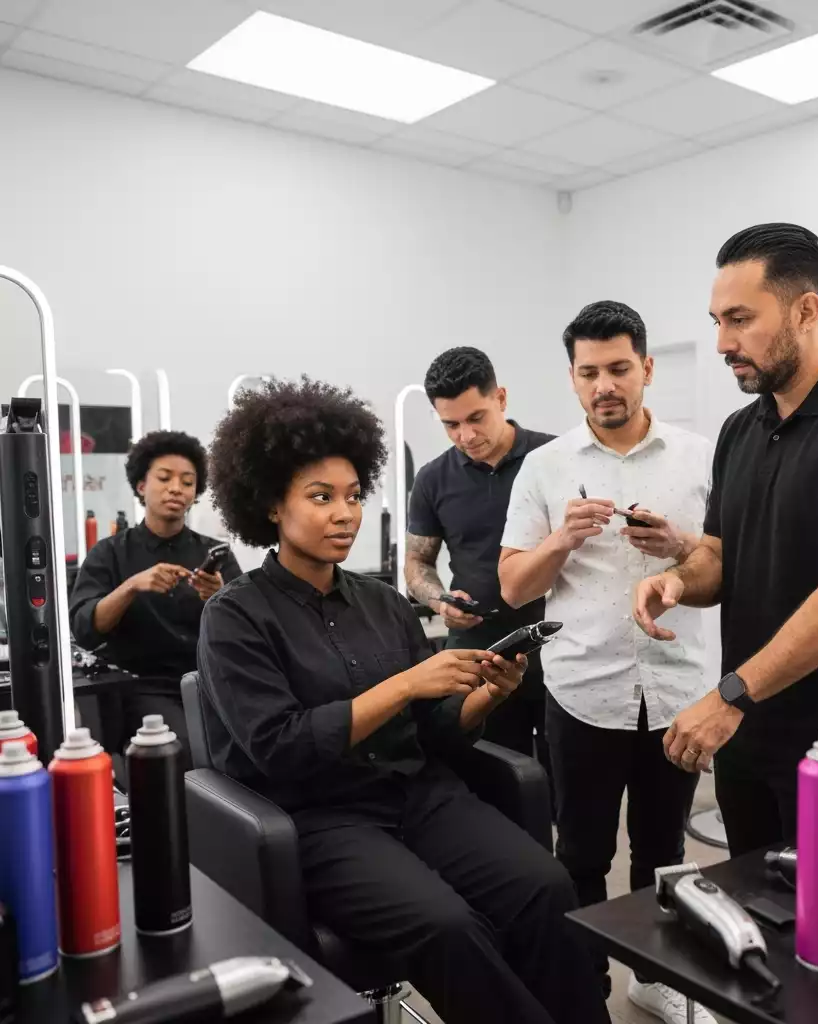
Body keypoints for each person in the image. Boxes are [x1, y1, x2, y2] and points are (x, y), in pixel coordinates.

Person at [197, 378, 610, 1024]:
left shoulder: (383, 602)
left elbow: (434, 733)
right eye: (320, 497)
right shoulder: (236, 618)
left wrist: (480, 700)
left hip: (419, 796)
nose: (345, 513)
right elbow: (279, 747)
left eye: (353, 496)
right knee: (448, 925)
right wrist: (406, 685)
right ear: (271, 505)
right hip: (322, 820)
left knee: (546, 886)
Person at [634, 223, 818, 856]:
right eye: (716, 321)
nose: (722, 342)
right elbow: (719, 554)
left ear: (806, 309)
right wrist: (680, 580)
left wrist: (729, 694)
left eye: (740, 319)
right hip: (747, 734)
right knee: (757, 920)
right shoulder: (741, 430)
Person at [499, 301, 714, 1024]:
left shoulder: (702, 456)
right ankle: (585, 981)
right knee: (582, 853)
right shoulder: (545, 466)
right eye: (589, 373)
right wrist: (560, 541)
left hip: (679, 689)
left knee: (664, 848)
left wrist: (681, 545)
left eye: (619, 368)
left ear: (647, 368)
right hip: (582, 689)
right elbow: (512, 585)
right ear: (572, 379)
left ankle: (658, 978)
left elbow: (731, 563)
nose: (604, 386)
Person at [406, 347, 554, 771]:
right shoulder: (433, 478)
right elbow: (417, 563)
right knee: (491, 779)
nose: (466, 436)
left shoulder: (553, 459)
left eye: (476, 418)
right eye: (451, 424)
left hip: (557, 646)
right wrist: (439, 601)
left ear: (501, 399)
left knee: (566, 789)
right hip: (478, 650)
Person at [69, 430, 241, 767]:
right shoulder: (110, 554)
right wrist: (131, 586)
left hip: (211, 685)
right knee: (192, 754)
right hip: (144, 688)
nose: (176, 488)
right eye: (164, 478)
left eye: (187, 482)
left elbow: (247, 630)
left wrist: (218, 596)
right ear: (141, 486)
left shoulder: (213, 554)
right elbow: (86, 627)